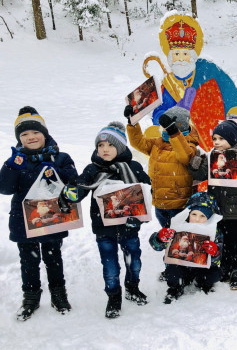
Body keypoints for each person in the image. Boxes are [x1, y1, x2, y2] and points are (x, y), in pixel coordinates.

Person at [62, 122, 150, 318]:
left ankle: (132, 288)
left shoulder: (133, 167)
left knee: (133, 261)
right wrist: (71, 192)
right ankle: (113, 297)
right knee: (110, 266)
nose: (105, 149)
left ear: (120, 147)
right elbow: (80, 189)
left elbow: (146, 191)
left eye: (110, 145)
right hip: (104, 228)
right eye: (100, 146)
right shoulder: (93, 169)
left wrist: (140, 218)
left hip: (129, 226)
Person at [0, 107, 78, 321]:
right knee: (28, 261)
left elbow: (74, 183)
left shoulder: (60, 157)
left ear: (44, 133)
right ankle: (31, 298)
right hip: (24, 221)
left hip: (53, 218)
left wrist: (56, 173)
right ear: (19, 139)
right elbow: (4, 188)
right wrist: (11, 166)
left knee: (53, 259)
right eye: (24, 134)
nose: (30, 137)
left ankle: (58, 294)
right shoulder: (16, 160)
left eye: (35, 132)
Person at [150, 13, 237, 151]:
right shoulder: (169, 82)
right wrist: (165, 118)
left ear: (192, 56)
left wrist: (234, 117)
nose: (180, 59)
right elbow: (160, 110)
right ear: (170, 57)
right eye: (176, 54)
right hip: (182, 139)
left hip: (214, 136)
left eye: (185, 54)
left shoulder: (208, 70)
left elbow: (230, 94)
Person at [188, 119, 237, 290]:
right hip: (216, 207)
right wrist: (196, 164)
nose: (216, 142)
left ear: (231, 140)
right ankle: (223, 266)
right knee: (220, 239)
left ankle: (236, 269)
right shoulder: (211, 156)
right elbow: (202, 174)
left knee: (235, 240)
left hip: (236, 209)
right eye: (214, 138)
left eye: (221, 139)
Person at [125, 106, 199, 229]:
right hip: (160, 202)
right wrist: (132, 123)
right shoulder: (158, 143)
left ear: (177, 126)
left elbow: (185, 156)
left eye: (165, 125)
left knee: (179, 236)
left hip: (179, 204)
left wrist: (174, 133)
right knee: (166, 235)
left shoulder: (189, 145)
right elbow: (138, 142)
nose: (162, 128)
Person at [149, 192, 223, 303]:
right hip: (181, 266)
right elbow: (156, 246)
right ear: (188, 213)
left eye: (202, 216)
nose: (197, 219)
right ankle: (176, 287)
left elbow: (218, 258)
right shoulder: (177, 226)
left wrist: (215, 252)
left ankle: (203, 283)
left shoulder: (214, 231)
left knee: (215, 274)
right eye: (194, 214)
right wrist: (159, 238)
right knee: (172, 272)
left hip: (201, 267)